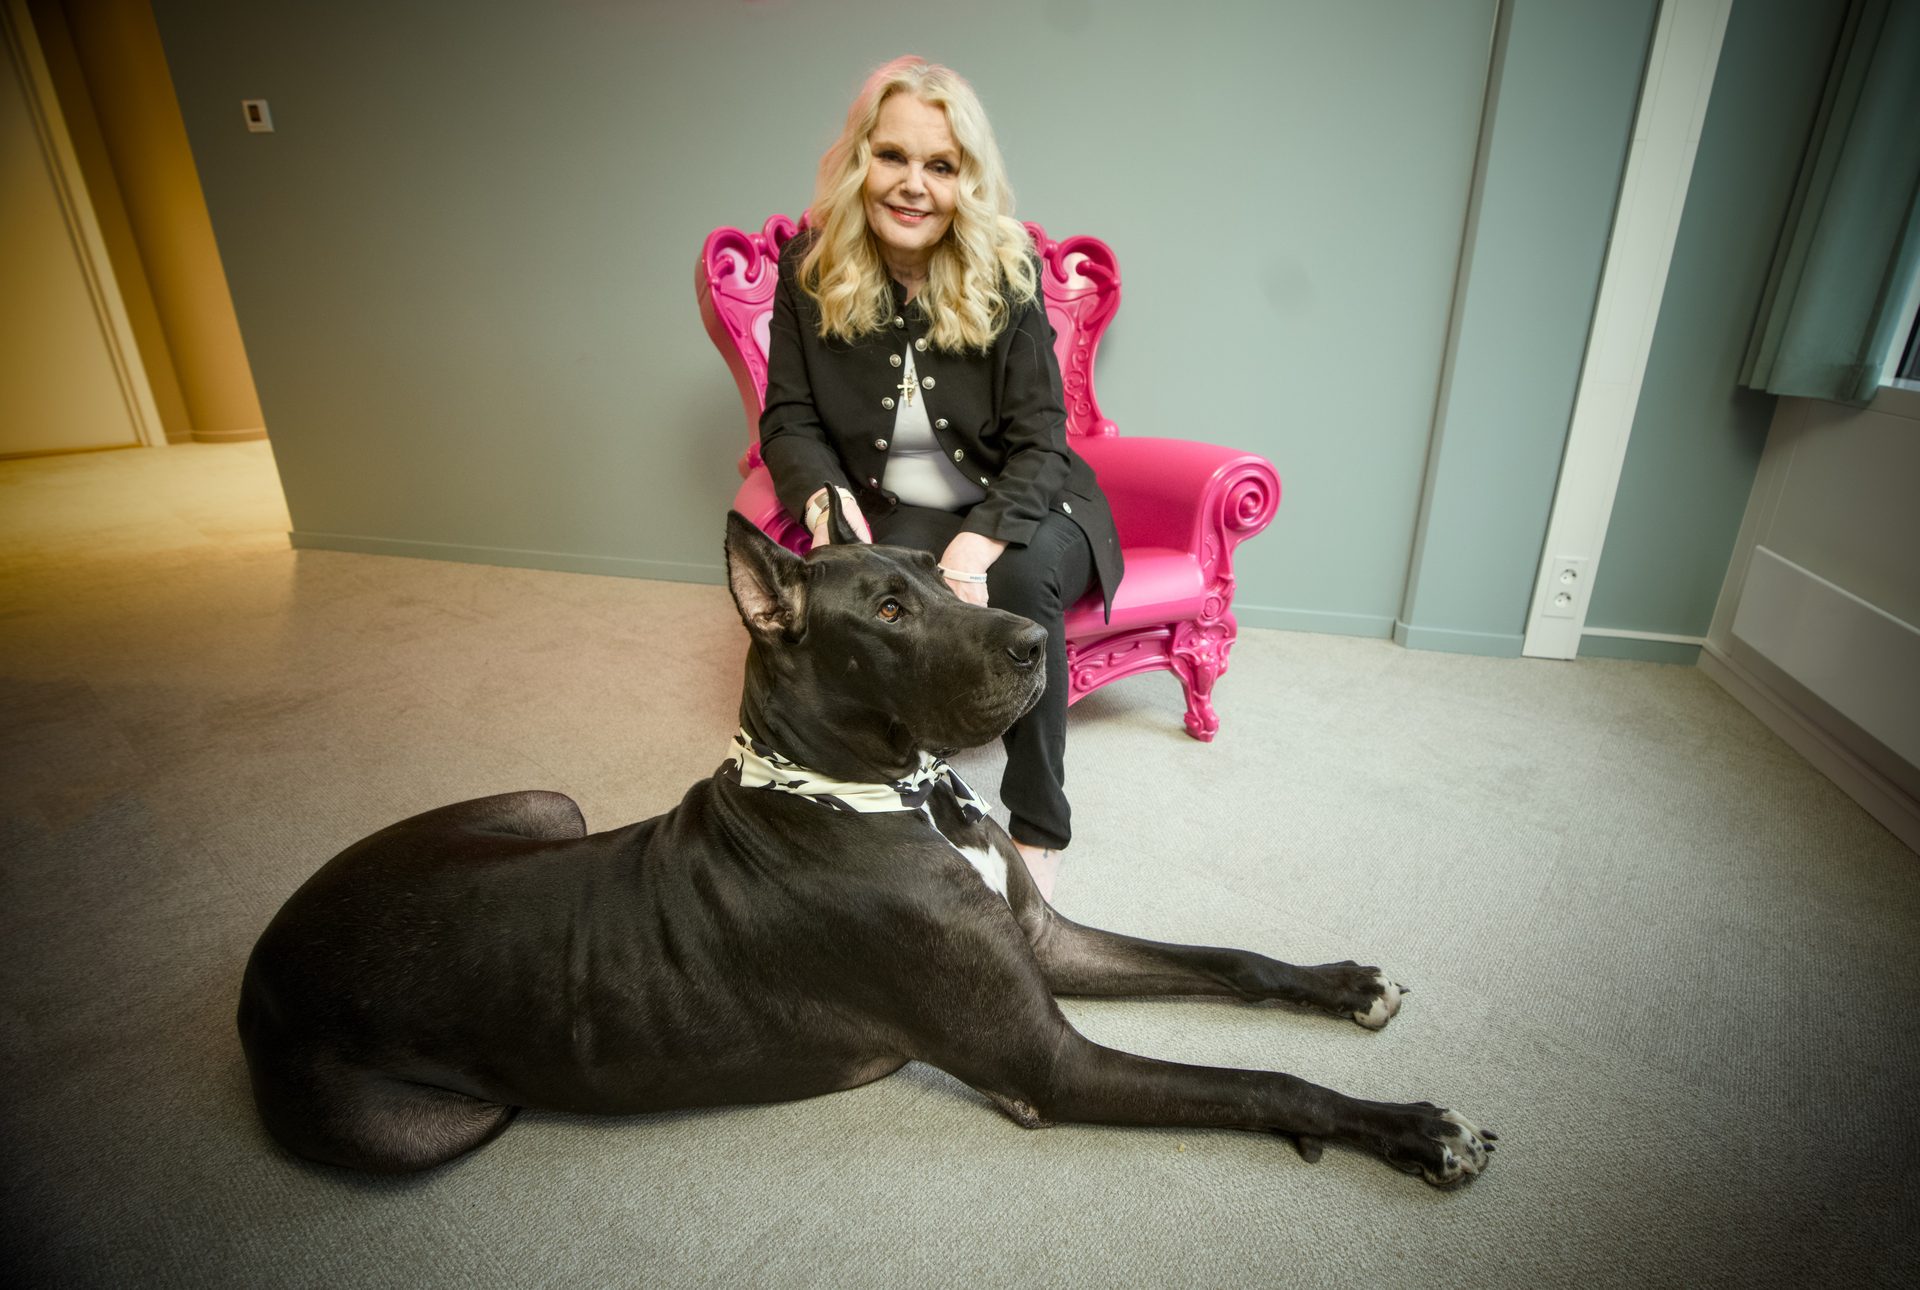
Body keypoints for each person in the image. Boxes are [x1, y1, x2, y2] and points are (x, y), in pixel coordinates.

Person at [757, 55, 1122, 900]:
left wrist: (979, 541)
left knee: (1019, 579)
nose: (913, 185)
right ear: (860, 160)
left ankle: (1038, 826)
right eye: (892, 156)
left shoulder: (1009, 269)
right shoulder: (810, 268)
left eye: (941, 165)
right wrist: (823, 499)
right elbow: (788, 419)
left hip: (1033, 499)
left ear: (967, 179)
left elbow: (1042, 442)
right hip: (904, 512)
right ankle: (898, 791)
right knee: (889, 589)